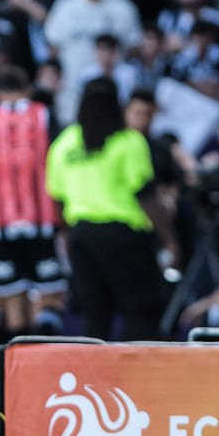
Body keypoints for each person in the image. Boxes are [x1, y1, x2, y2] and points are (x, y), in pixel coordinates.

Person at [45, 77, 179, 341]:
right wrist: (169, 239)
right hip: (125, 237)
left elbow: (57, 197)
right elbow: (146, 196)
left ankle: (93, 380)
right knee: (140, 312)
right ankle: (138, 378)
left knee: (94, 316)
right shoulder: (128, 141)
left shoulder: (65, 144)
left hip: (82, 236)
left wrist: (68, 236)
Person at [0, 66, 66, 343]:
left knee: (11, 302)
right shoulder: (43, 115)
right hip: (42, 223)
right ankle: (43, 376)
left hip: (0, 226)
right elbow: (61, 159)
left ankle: (12, 379)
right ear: (27, 89)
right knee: (47, 298)